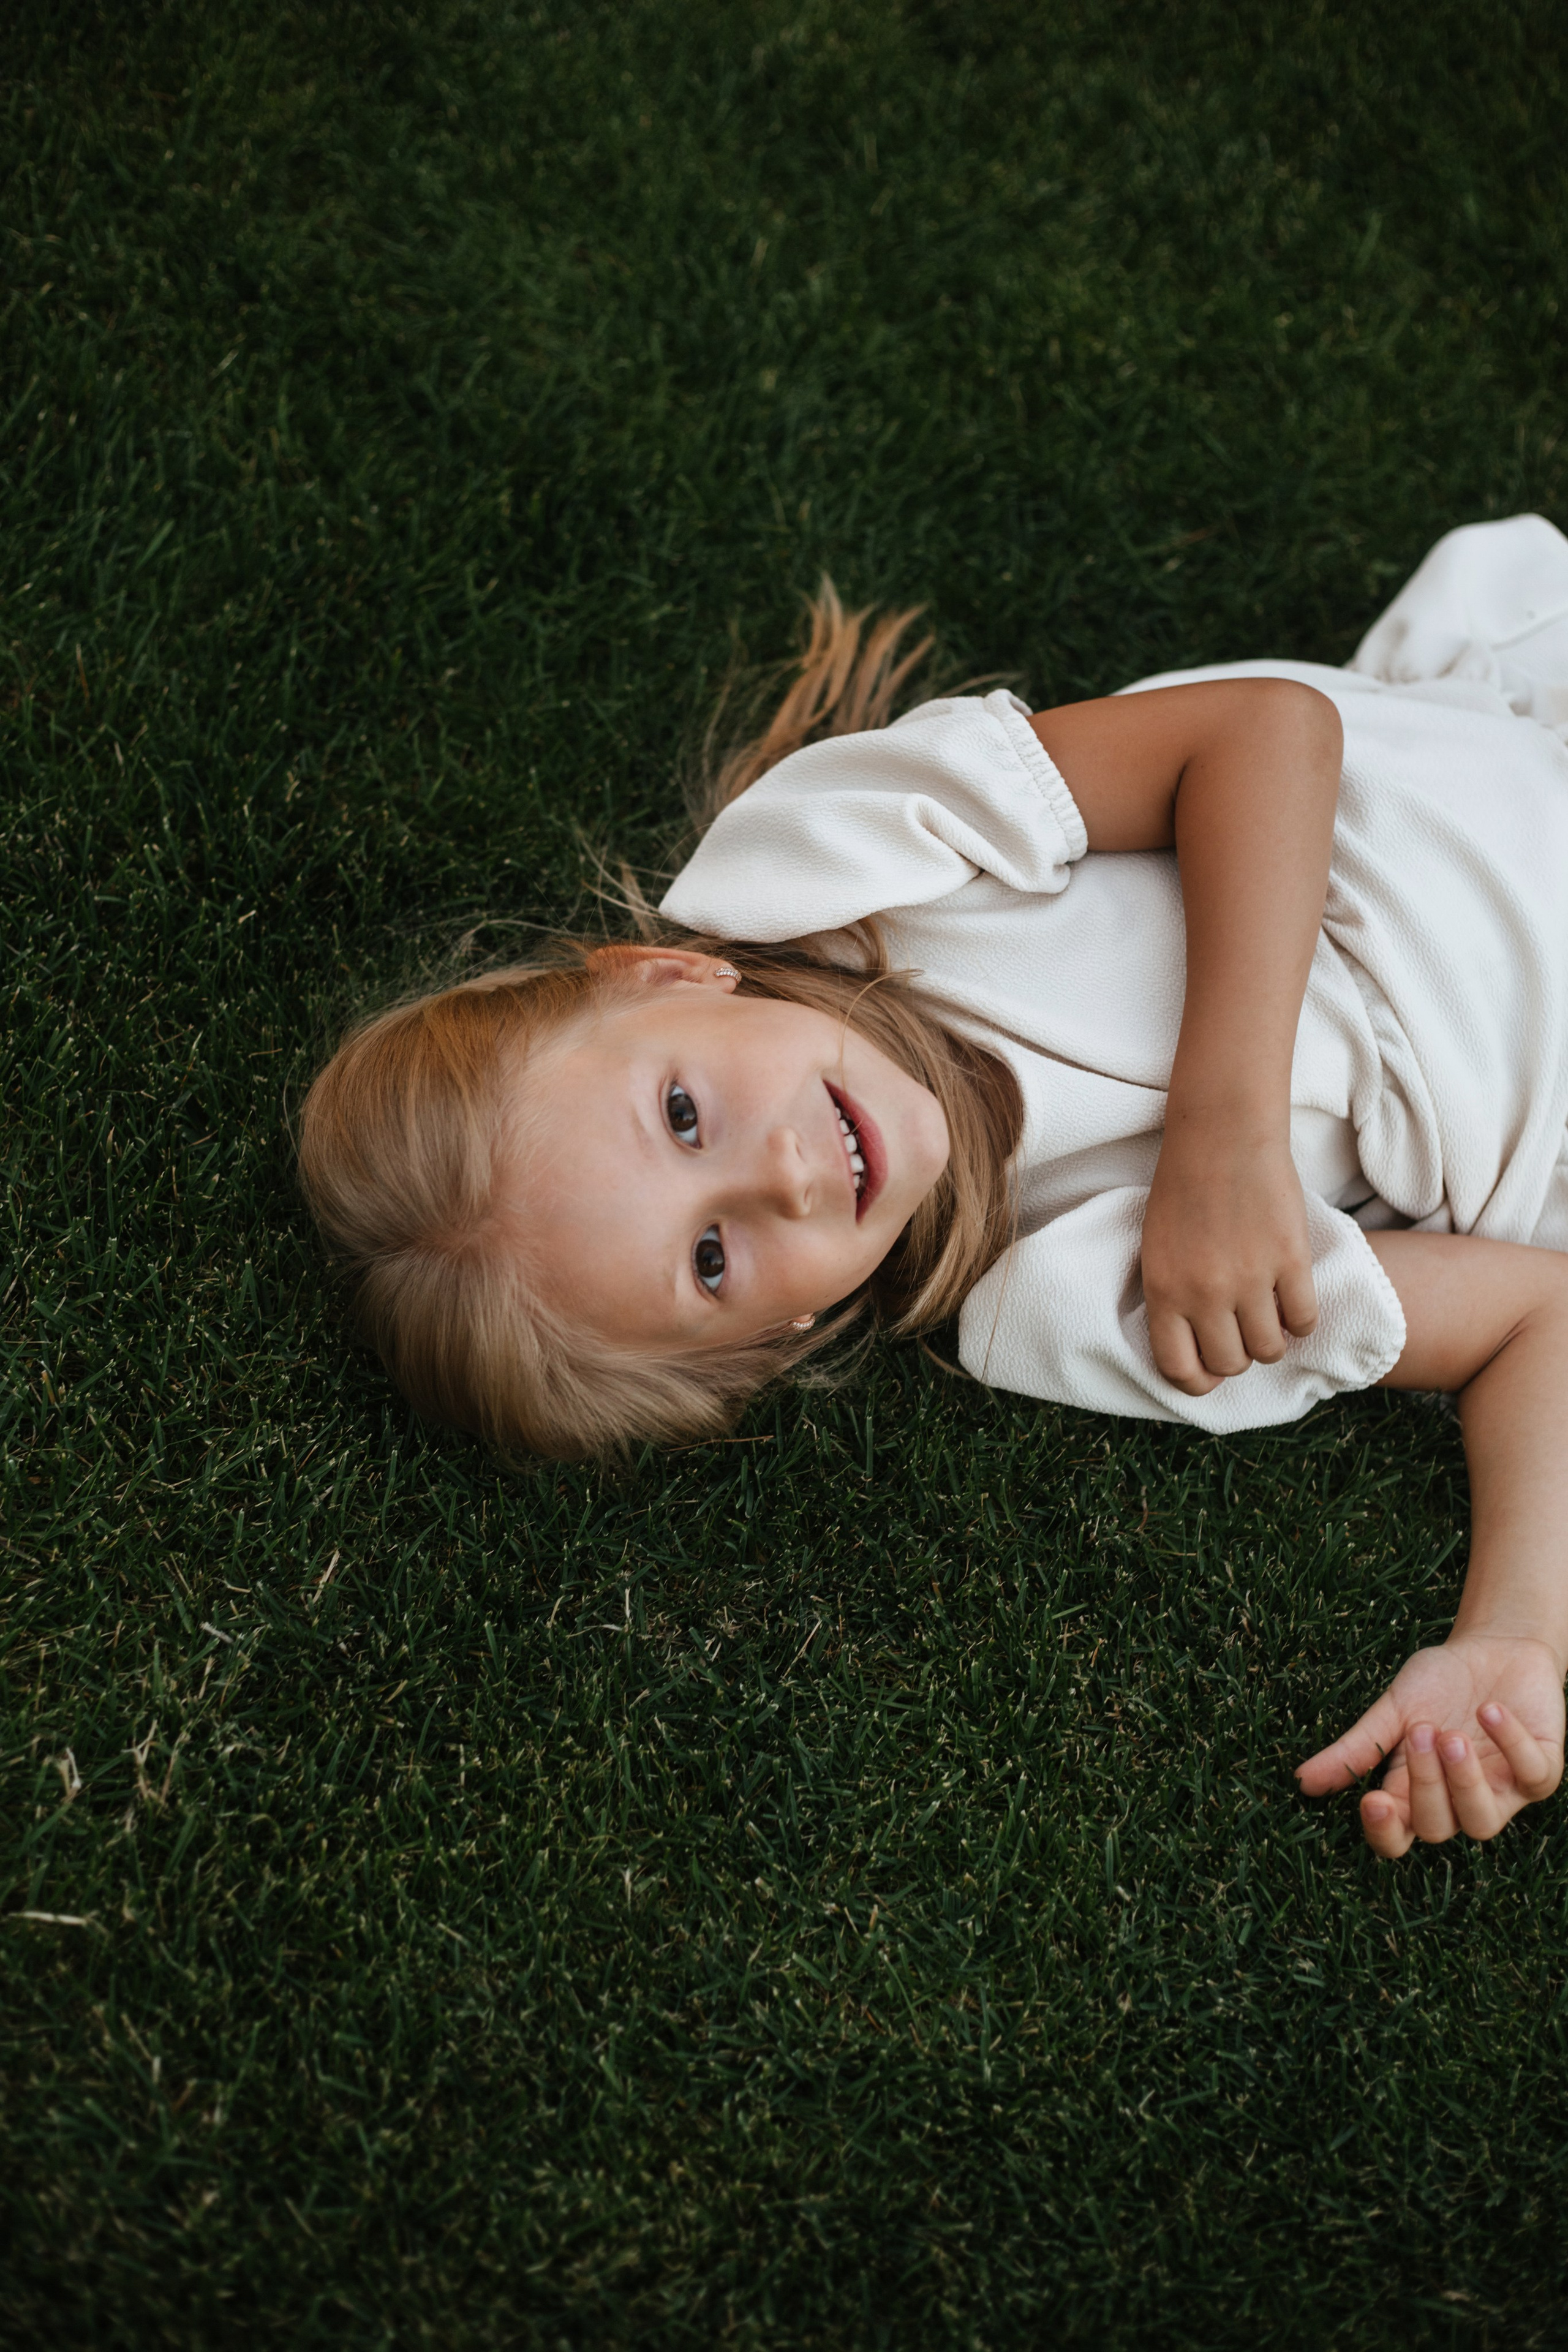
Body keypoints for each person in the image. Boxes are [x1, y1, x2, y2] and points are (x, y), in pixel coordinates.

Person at [300, 515, 1568, 1860]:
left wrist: (1225, 1131)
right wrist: (1508, 1631)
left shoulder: (841, 867)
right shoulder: (1065, 1301)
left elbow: (1267, 734)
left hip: (1488, 783)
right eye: (711, 1261)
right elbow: (1528, 1315)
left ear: (661, 973)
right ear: (764, 1346)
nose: (779, 1174)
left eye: (680, 1113)